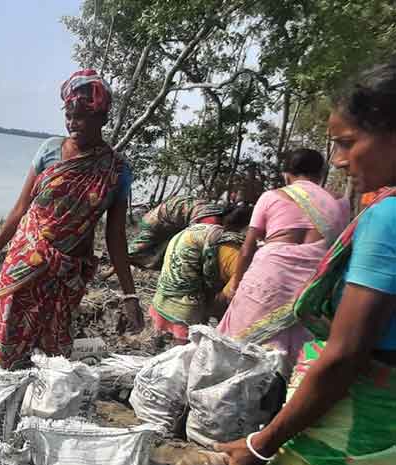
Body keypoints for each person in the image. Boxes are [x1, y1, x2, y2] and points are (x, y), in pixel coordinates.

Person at [204, 62, 396, 465]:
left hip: (351, 429)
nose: (339, 160)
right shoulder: (342, 207)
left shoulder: (386, 218)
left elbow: (345, 356)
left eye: (348, 142)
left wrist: (259, 445)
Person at [0, 69, 144, 369]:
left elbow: (115, 237)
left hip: (67, 275)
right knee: (1, 329)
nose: (72, 123)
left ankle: (32, 406)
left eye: (82, 116)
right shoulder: (50, 150)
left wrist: (129, 294)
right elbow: (21, 207)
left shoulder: (116, 170)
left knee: (50, 352)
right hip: (24, 261)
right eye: (68, 114)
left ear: (103, 118)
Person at [217, 149, 350, 367]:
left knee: (239, 348)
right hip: (312, 285)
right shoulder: (341, 205)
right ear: (321, 174)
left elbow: (247, 249)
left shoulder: (271, 197)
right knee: (297, 351)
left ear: (287, 174)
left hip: (268, 278)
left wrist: (235, 286)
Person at [149, 207, 252, 344]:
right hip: (187, 262)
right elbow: (230, 292)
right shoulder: (237, 252)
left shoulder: (214, 231)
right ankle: (181, 345)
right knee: (186, 344)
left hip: (180, 255)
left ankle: (162, 338)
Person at [126, 193, 225, 270]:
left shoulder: (213, 215)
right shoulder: (211, 223)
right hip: (160, 220)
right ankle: (117, 269)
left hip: (171, 219)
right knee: (131, 254)